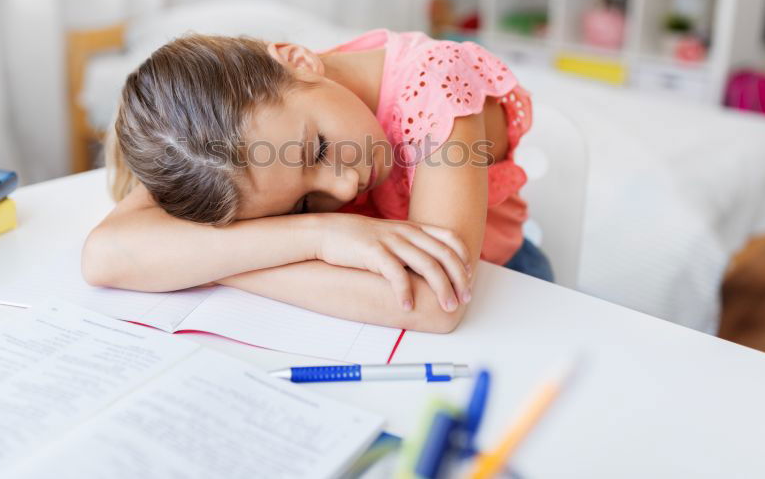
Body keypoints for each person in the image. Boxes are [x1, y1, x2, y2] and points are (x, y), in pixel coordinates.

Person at [82, 29, 552, 333]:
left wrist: (219, 261)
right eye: (304, 205)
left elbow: (434, 300)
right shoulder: (209, 150)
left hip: (506, 296)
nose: (345, 189)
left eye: (319, 149)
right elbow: (106, 255)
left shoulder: (438, 82)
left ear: (298, 60)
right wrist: (321, 235)